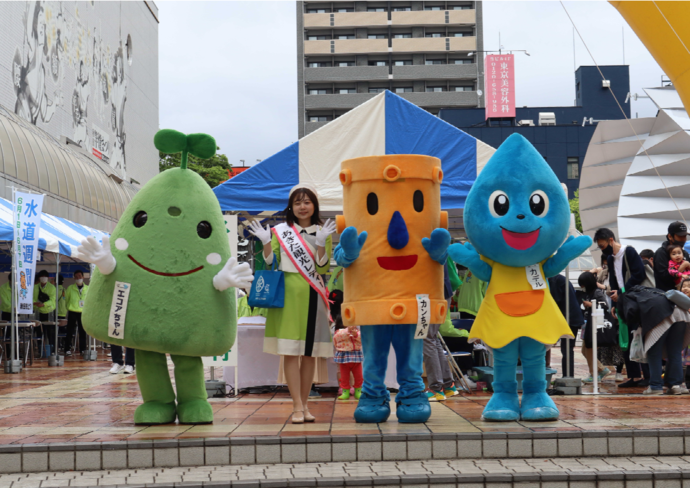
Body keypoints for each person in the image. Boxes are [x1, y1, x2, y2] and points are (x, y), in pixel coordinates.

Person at [247, 185, 335, 424]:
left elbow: (322, 269)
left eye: (307, 202)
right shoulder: (280, 232)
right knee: (289, 352)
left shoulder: (322, 232)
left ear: (314, 205)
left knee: (308, 354)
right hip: (286, 296)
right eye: (297, 203)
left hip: (312, 296)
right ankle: (296, 405)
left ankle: (305, 405)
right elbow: (269, 262)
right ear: (291, 207)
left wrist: (321, 243)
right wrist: (266, 242)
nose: (302, 207)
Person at [594, 227, 650, 388]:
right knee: (626, 338)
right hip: (622, 302)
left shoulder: (629, 252)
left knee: (639, 336)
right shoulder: (611, 259)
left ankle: (647, 375)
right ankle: (633, 376)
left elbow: (639, 275)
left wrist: (622, 292)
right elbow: (613, 283)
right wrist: (614, 304)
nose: (602, 249)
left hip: (636, 300)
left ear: (611, 240)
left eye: (603, 245)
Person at [578, 271, 625, 383]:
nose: (582, 287)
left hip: (596, 326)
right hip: (588, 324)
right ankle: (600, 370)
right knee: (585, 350)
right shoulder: (589, 293)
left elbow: (605, 307)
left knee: (589, 349)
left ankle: (595, 374)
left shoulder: (597, 292)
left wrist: (591, 305)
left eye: (583, 284)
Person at [424, 261, 462, 401]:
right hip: (442, 291)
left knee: (427, 338)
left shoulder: (424, 241)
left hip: (431, 293)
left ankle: (436, 389)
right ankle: (448, 385)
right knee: (432, 338)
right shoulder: (438, 242)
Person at [548, 274, 584, 378]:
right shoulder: (558, 279)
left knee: (567, 349)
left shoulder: (555, 281)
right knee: (567, 349)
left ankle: (568, 377)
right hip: (570, 318)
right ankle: (567, 376)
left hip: (569, 319)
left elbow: (554, 302)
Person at [333, 315, 363, 400]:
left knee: (359, 376)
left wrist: (356, 335)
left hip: (356, 358)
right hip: (344, 358)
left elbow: (362, 339)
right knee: (344, 376)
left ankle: (358, 391)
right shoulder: (339, 331)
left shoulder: (357, 331)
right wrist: (347, 331)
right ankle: (345, 391)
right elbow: (337, 337)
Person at [654, 221, 689, 292]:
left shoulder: (685, 253)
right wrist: (682, 267)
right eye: (680, 236)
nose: (684, 239)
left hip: (685, 296)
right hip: (667, 295)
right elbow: (664, 276)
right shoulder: (661, 253)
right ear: (670, 236)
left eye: (685, 236)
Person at [64, 270, 88, 356]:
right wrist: (69, 308)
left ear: (83, 277)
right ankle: (67, 349)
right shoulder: (70, 288)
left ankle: (83, 349)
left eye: (80, 276)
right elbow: (66, 300)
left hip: (83, 312)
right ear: (74, 278)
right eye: (76, 277)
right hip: (72, 311)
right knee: (70, 331)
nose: (78, 278)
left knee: (82, 331)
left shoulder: (87, 288)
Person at [33, 270, 56, 356]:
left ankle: (52, 350)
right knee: (39, 332)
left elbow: (52, 301)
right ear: (39, 278)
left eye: (45, 277)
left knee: (50, 333)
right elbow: (32, 298)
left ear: (47, 278)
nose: (43, 278)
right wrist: (34, 303)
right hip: (38, 313)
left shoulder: (52, 288)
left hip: (49, 313)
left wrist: (44, 304)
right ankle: (40, 350)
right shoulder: (35, 287)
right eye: (41, 276)